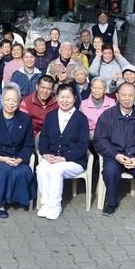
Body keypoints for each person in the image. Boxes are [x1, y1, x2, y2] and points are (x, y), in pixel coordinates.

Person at [94, 82, 135, 219]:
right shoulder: (107, 115)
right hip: (115, 156)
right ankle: (111, 203)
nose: (127, 98)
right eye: (124, 95)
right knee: (110, 171)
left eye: (131, 95)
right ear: (117, 96)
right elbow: (100, 140)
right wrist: (115, 155)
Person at [0, 83, 36, 221]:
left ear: (19, 102)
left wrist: (21, 159)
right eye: (7, 100)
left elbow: (29, 144)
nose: (10, 103)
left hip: (16, 157)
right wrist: (0, 158)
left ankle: (3, 202)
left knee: (23, 171)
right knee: (3, 171)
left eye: (14, 100)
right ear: (2, 100)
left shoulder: (25, 119)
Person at [36, 83, 90, 220]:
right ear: (56, 98)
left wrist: (64, 158)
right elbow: (43, 139)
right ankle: (46, 203)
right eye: (61, 97)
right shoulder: (51, 116)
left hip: (74, 161)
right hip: (52, 157)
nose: (64, 100)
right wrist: (45, 154)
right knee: (41, 168)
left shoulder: (81, 118)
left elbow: (82, 146)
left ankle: (55, 205)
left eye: (68, 97)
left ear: (74, 99)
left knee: (56, 170)